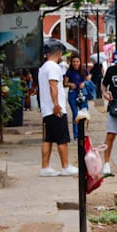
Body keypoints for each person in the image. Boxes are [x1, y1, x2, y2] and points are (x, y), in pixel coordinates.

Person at [38, 42, 78, 177]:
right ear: (59, 53)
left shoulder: (42, 68)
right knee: (63, 139)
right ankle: (65, 166)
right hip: (55, 109)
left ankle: (45, 167)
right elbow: (53, 86)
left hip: (46, 109)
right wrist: (56, 104)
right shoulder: (54, 67)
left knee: (48, 139)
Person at [63, 55, 90, 140]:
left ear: (80, 62)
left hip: (82, 93)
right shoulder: (69, 71)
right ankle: (76, 135)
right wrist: (71, 84)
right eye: (74, 61)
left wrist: (84, 83)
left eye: (77, 61)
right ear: (71, 62)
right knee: (75, 113)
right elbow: (65, 83)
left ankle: (82, 133)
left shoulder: (84, 71)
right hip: (72, 93)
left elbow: (88, 80)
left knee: (83, 113)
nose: (75, 63)